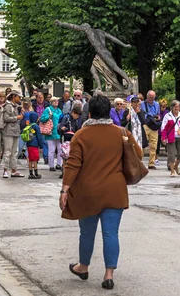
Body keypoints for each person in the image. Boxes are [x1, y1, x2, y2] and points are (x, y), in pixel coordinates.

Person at [60, 95, 142, 291]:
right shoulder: (121, 132)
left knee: (87, 233)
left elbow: (73, 164)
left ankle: (83, 267)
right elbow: (138, 154)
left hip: (87, 191)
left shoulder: (81, 135)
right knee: (111, 233)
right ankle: (108, 274)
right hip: (115, 190)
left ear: (89, 113)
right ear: (109, 112)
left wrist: (65, 189)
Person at [161, 100, 180, 177]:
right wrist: (163, 137)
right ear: (172, 107)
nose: (177, 108)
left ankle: (176, 166)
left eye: (178, 106)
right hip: (171, 137)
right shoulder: (167, 116)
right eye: (175, 106)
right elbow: (163, 128)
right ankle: (172, 171)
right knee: (171, 155)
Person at [1, 91, 25, 178]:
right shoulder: (8, 105)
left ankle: (14, 169)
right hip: (8, 130)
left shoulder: (16, 106)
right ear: (14, 96)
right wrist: (16, 117)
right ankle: (5, 170)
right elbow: (6, 118)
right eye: (19, 97)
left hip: (15, 130)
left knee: (15, 151)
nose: (20, 99)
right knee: (8, 151)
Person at [58, 104, 83, 179]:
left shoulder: (77, 119)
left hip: (73, 139)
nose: (77, 117)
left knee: (71, 156)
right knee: (65, 157)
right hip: (66, 139)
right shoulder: (66, 118)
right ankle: (64, 172)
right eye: (77, 115)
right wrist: (63, 129)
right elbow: (61, 127)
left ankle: (69, 172)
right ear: (73, 113)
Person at [41, 96, 63, 172]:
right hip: (50, 132)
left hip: (59, 132)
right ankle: (51, 165)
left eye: (57, 101)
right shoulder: (48, 109)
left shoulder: (60, 110)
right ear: (51, 102)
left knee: (60, 149)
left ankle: (59, 164)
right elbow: (42, 119)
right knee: (51, 150)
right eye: (54, 101)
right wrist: (48, 116)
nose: (56, 102)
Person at [141, 90, 161, 169]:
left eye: (152, 98)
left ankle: (151, 163)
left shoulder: (157, 104)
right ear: (147, 96)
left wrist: (158, 117)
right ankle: (140, 161)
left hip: (154, 125)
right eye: (150, 97)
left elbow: (158, 113)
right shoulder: (142, 104)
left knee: (154, 145)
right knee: (142, 144)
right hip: (145, 124)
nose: (151, 99)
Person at [32, 92, 51, 164]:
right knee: (35, 141)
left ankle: (46, 157)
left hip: (44, 124)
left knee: (44, 142)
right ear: (36, 98)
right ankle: (35, 157)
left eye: (41, 97)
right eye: (39, 98)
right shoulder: (33, 105)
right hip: (35, 124)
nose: (40, 99)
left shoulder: (47, 105)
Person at [25, 111, 44, 179]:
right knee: (35, 159)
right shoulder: (36, 126)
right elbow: (39, 136)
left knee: (30, 159)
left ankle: (30, 173)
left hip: (29, 144)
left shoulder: (29, 125)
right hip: (34, 145)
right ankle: (36, 173)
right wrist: (41, 145)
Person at [155, 99, 169, 166]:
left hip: (165, 131)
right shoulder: (157, 112)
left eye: (164, 106)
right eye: (162, 106)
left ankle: (169, 158)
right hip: (157, 131)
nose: (163, 108)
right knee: (157, 146)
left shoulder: (167, 113)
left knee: (167, 145)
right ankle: (156, 158)